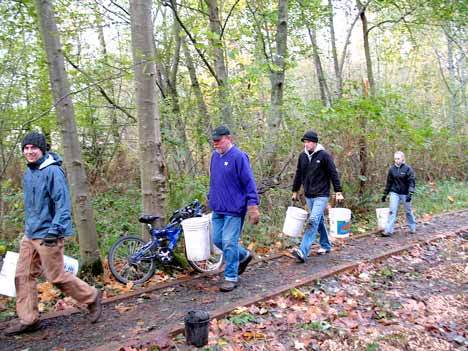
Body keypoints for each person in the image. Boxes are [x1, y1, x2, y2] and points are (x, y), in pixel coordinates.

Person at [5, 132, 102, 336]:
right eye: (26, 148)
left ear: (42, 149)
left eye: (34, 148)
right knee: (22, 275)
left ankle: (91, 296)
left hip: (48, 234)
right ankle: (29, 319)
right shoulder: (29, 172)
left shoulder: (53, 172)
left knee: (56, 276)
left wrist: (55, 230)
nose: (30, 152)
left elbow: (62, 204)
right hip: (30, 234)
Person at [208, 126, 260, 292]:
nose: (216, 144)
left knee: (229, 242)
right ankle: (244, 255)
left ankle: (231, 277)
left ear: (228, 138)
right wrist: (210, 198)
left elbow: (249, 182)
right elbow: (214, 181)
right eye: (214, 141)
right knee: (217, 240)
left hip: (234, 208)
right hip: (218, 208)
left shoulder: (239, 157)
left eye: (219, 141)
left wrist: (253, 205)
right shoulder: (214, 157)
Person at [291, 130, 344, 263]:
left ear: (315, 143)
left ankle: (303, 251)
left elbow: (333, 173)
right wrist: (295, 190)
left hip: (322, 194)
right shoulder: (302, 156)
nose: (306, 144)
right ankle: (326, 245)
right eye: (305, 142)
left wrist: (338, 191)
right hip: (309, 194)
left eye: (308, 142)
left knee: (313, 220)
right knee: (318, 221)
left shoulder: (324, 155)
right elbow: (298, 174)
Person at [381, 151, 416, 236]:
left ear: (402, 158)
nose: (396, 160)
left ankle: (412, 227)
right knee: (392, 211)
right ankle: (388, 230)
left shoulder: (408, 169)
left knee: (408, 211)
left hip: (405, 193)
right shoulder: (392, 169)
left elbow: (411, 182)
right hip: (395, 192)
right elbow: (389, 183)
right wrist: (385, 194)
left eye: (398, 158)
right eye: (395, 159)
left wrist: (410, 193)